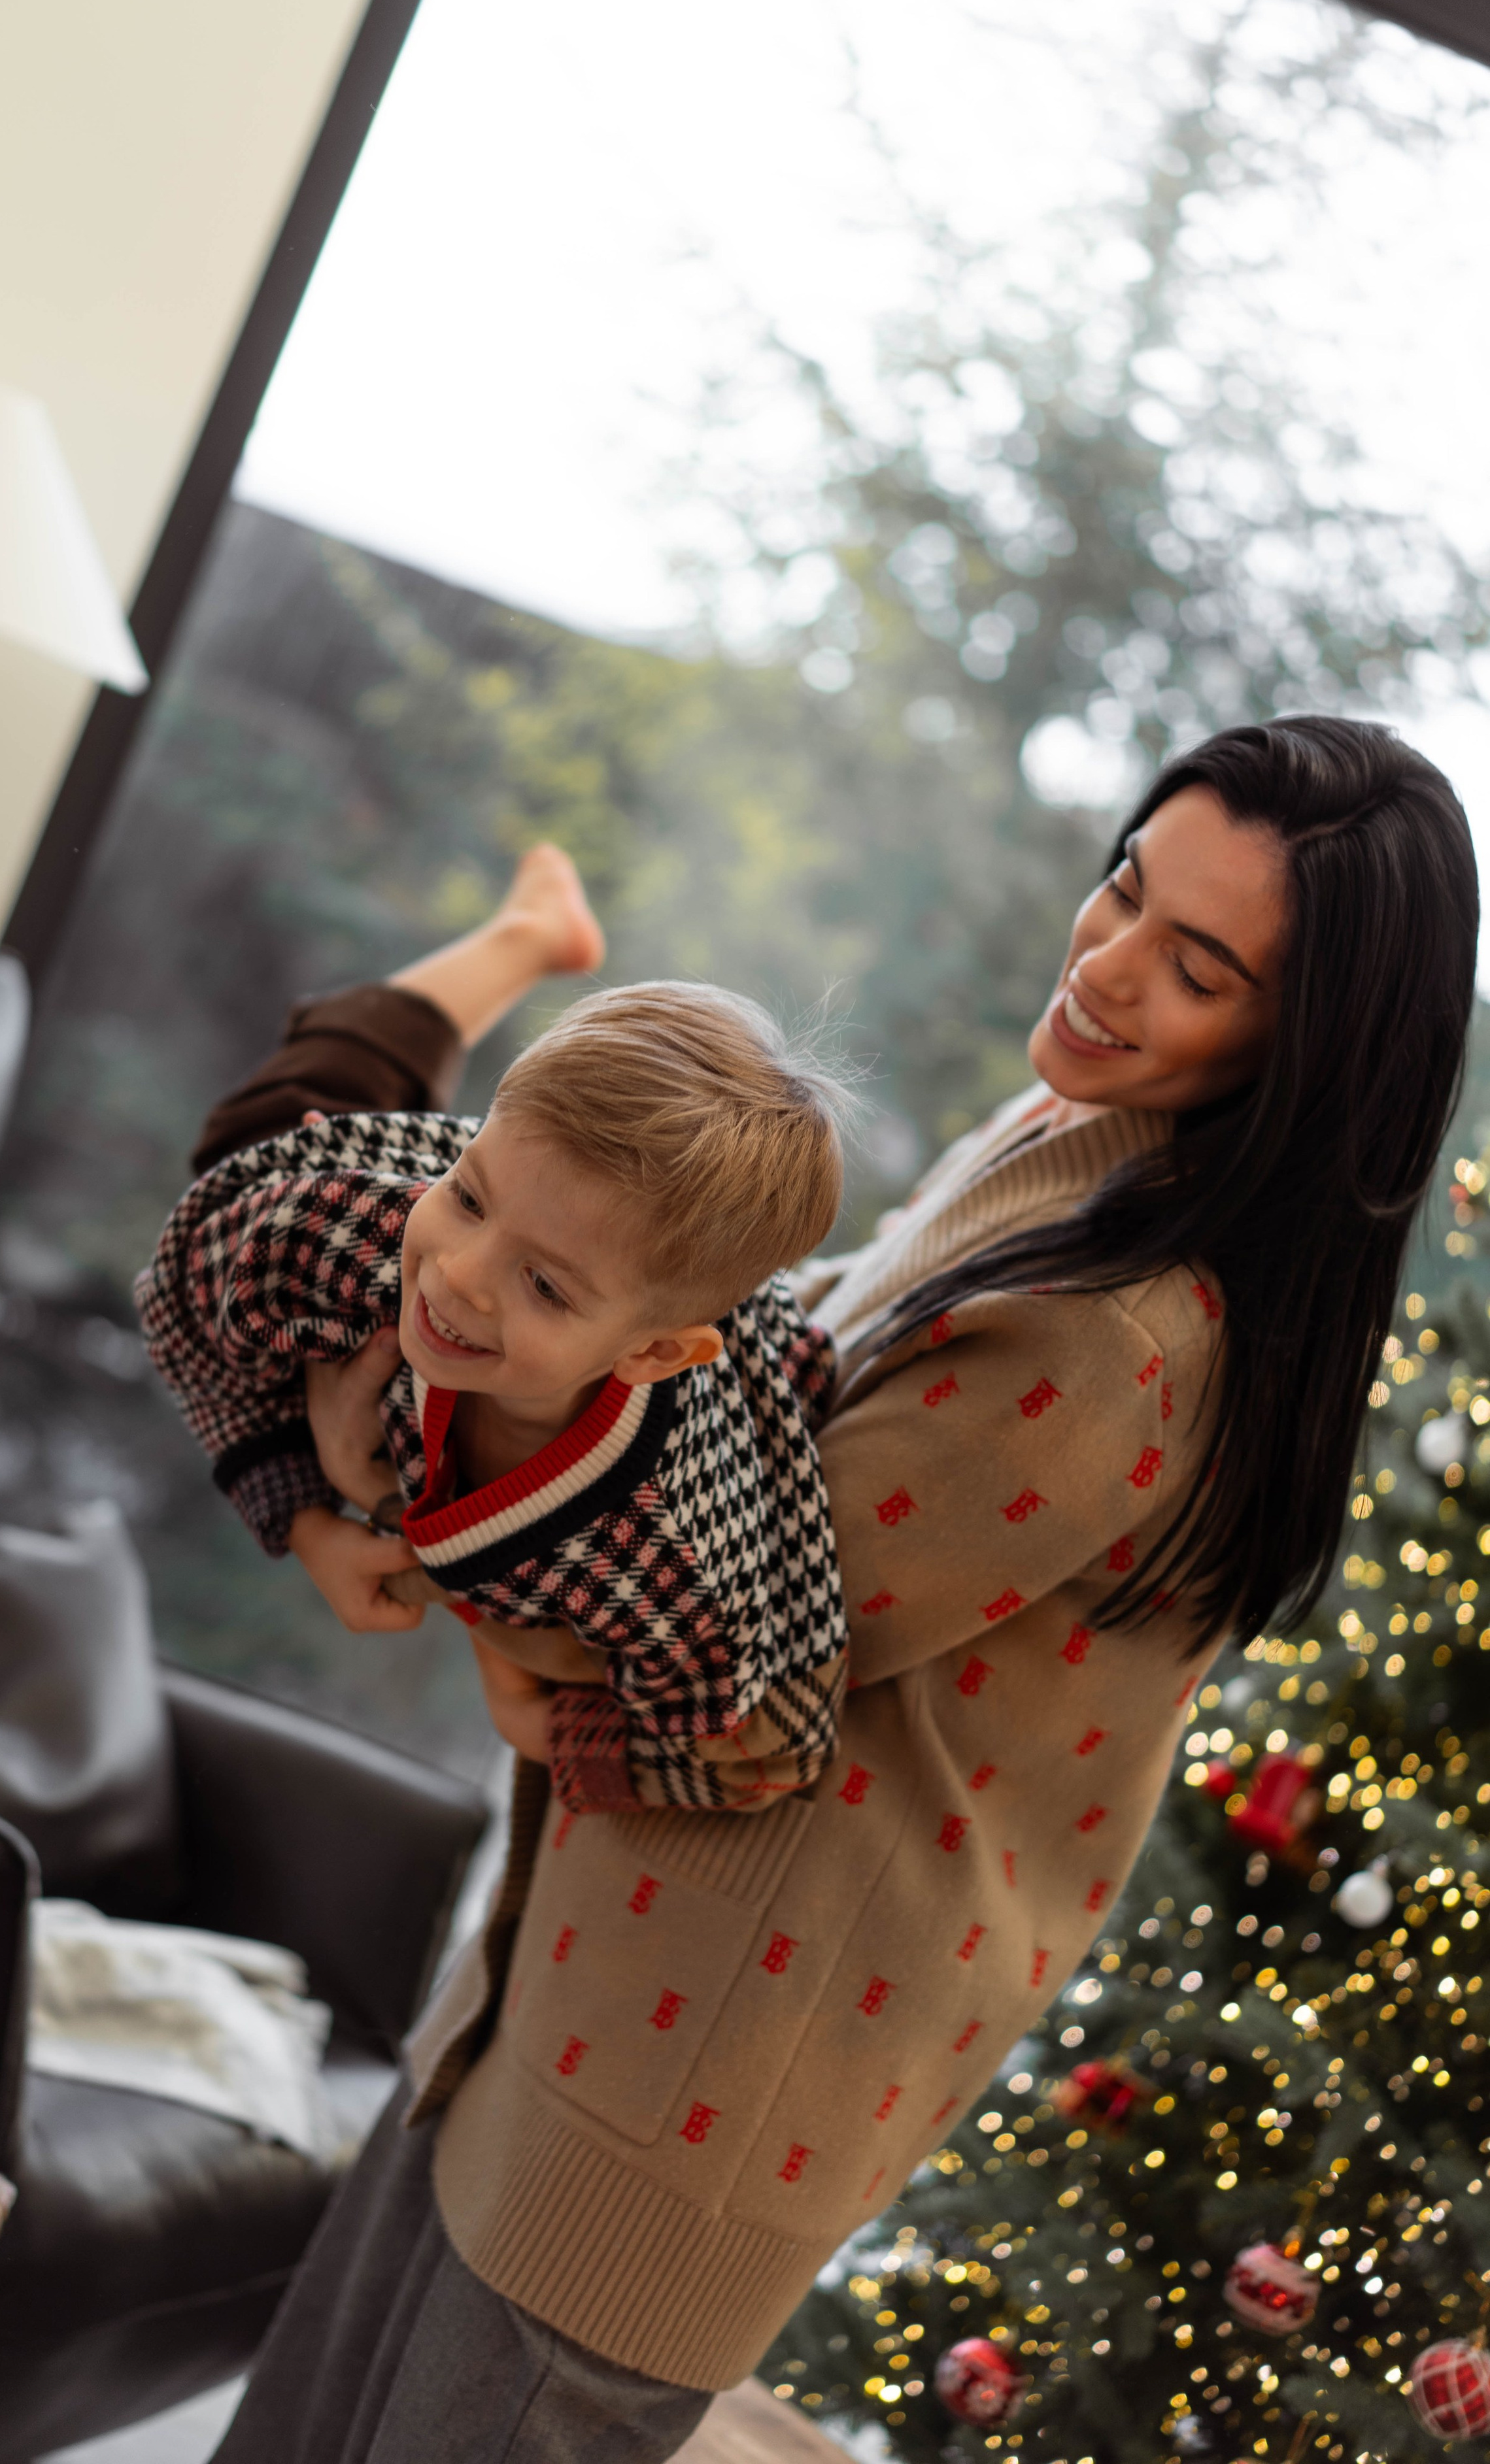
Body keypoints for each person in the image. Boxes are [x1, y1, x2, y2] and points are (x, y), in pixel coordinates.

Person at [199, 721, 1474, 2464]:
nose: (1104, 969)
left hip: (679, 2081)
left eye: (1194, 968)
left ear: (1306, 1052)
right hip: (562, 1973)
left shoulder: (1119, 1341)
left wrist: (350, 1468)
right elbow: (756, 1381)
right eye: (1122, 892)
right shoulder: (1075, 1137)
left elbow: (715, 1615)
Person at [139, 954, 856, 1815]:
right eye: (471, 1201)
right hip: (355, 1180)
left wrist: (541, 1726)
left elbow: (767, 1754)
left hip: (715, 1393)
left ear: (654, 1356)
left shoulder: (672, 1559)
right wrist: (301, 1514)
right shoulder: (358, 1230)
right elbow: (181, 1296)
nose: (459, 1275)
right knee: (266, 1118)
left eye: (545, 1286)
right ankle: (524, 937)